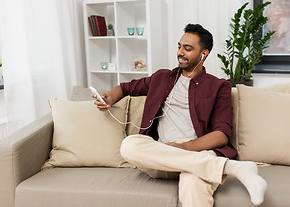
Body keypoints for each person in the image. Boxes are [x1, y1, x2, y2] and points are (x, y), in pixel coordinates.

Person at [93, 24, 267, 207]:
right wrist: (110, 98)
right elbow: (125, 87)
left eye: (188, 48)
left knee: (193, 182)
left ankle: (216, 166)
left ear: (204, 54)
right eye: (179, 46)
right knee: (129, 145)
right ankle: (233, 168)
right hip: (159, 157)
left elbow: (222, 134)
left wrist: (185, 147)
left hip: (197, 153)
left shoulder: (218, 86)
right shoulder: (161, 78)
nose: (180, 52)